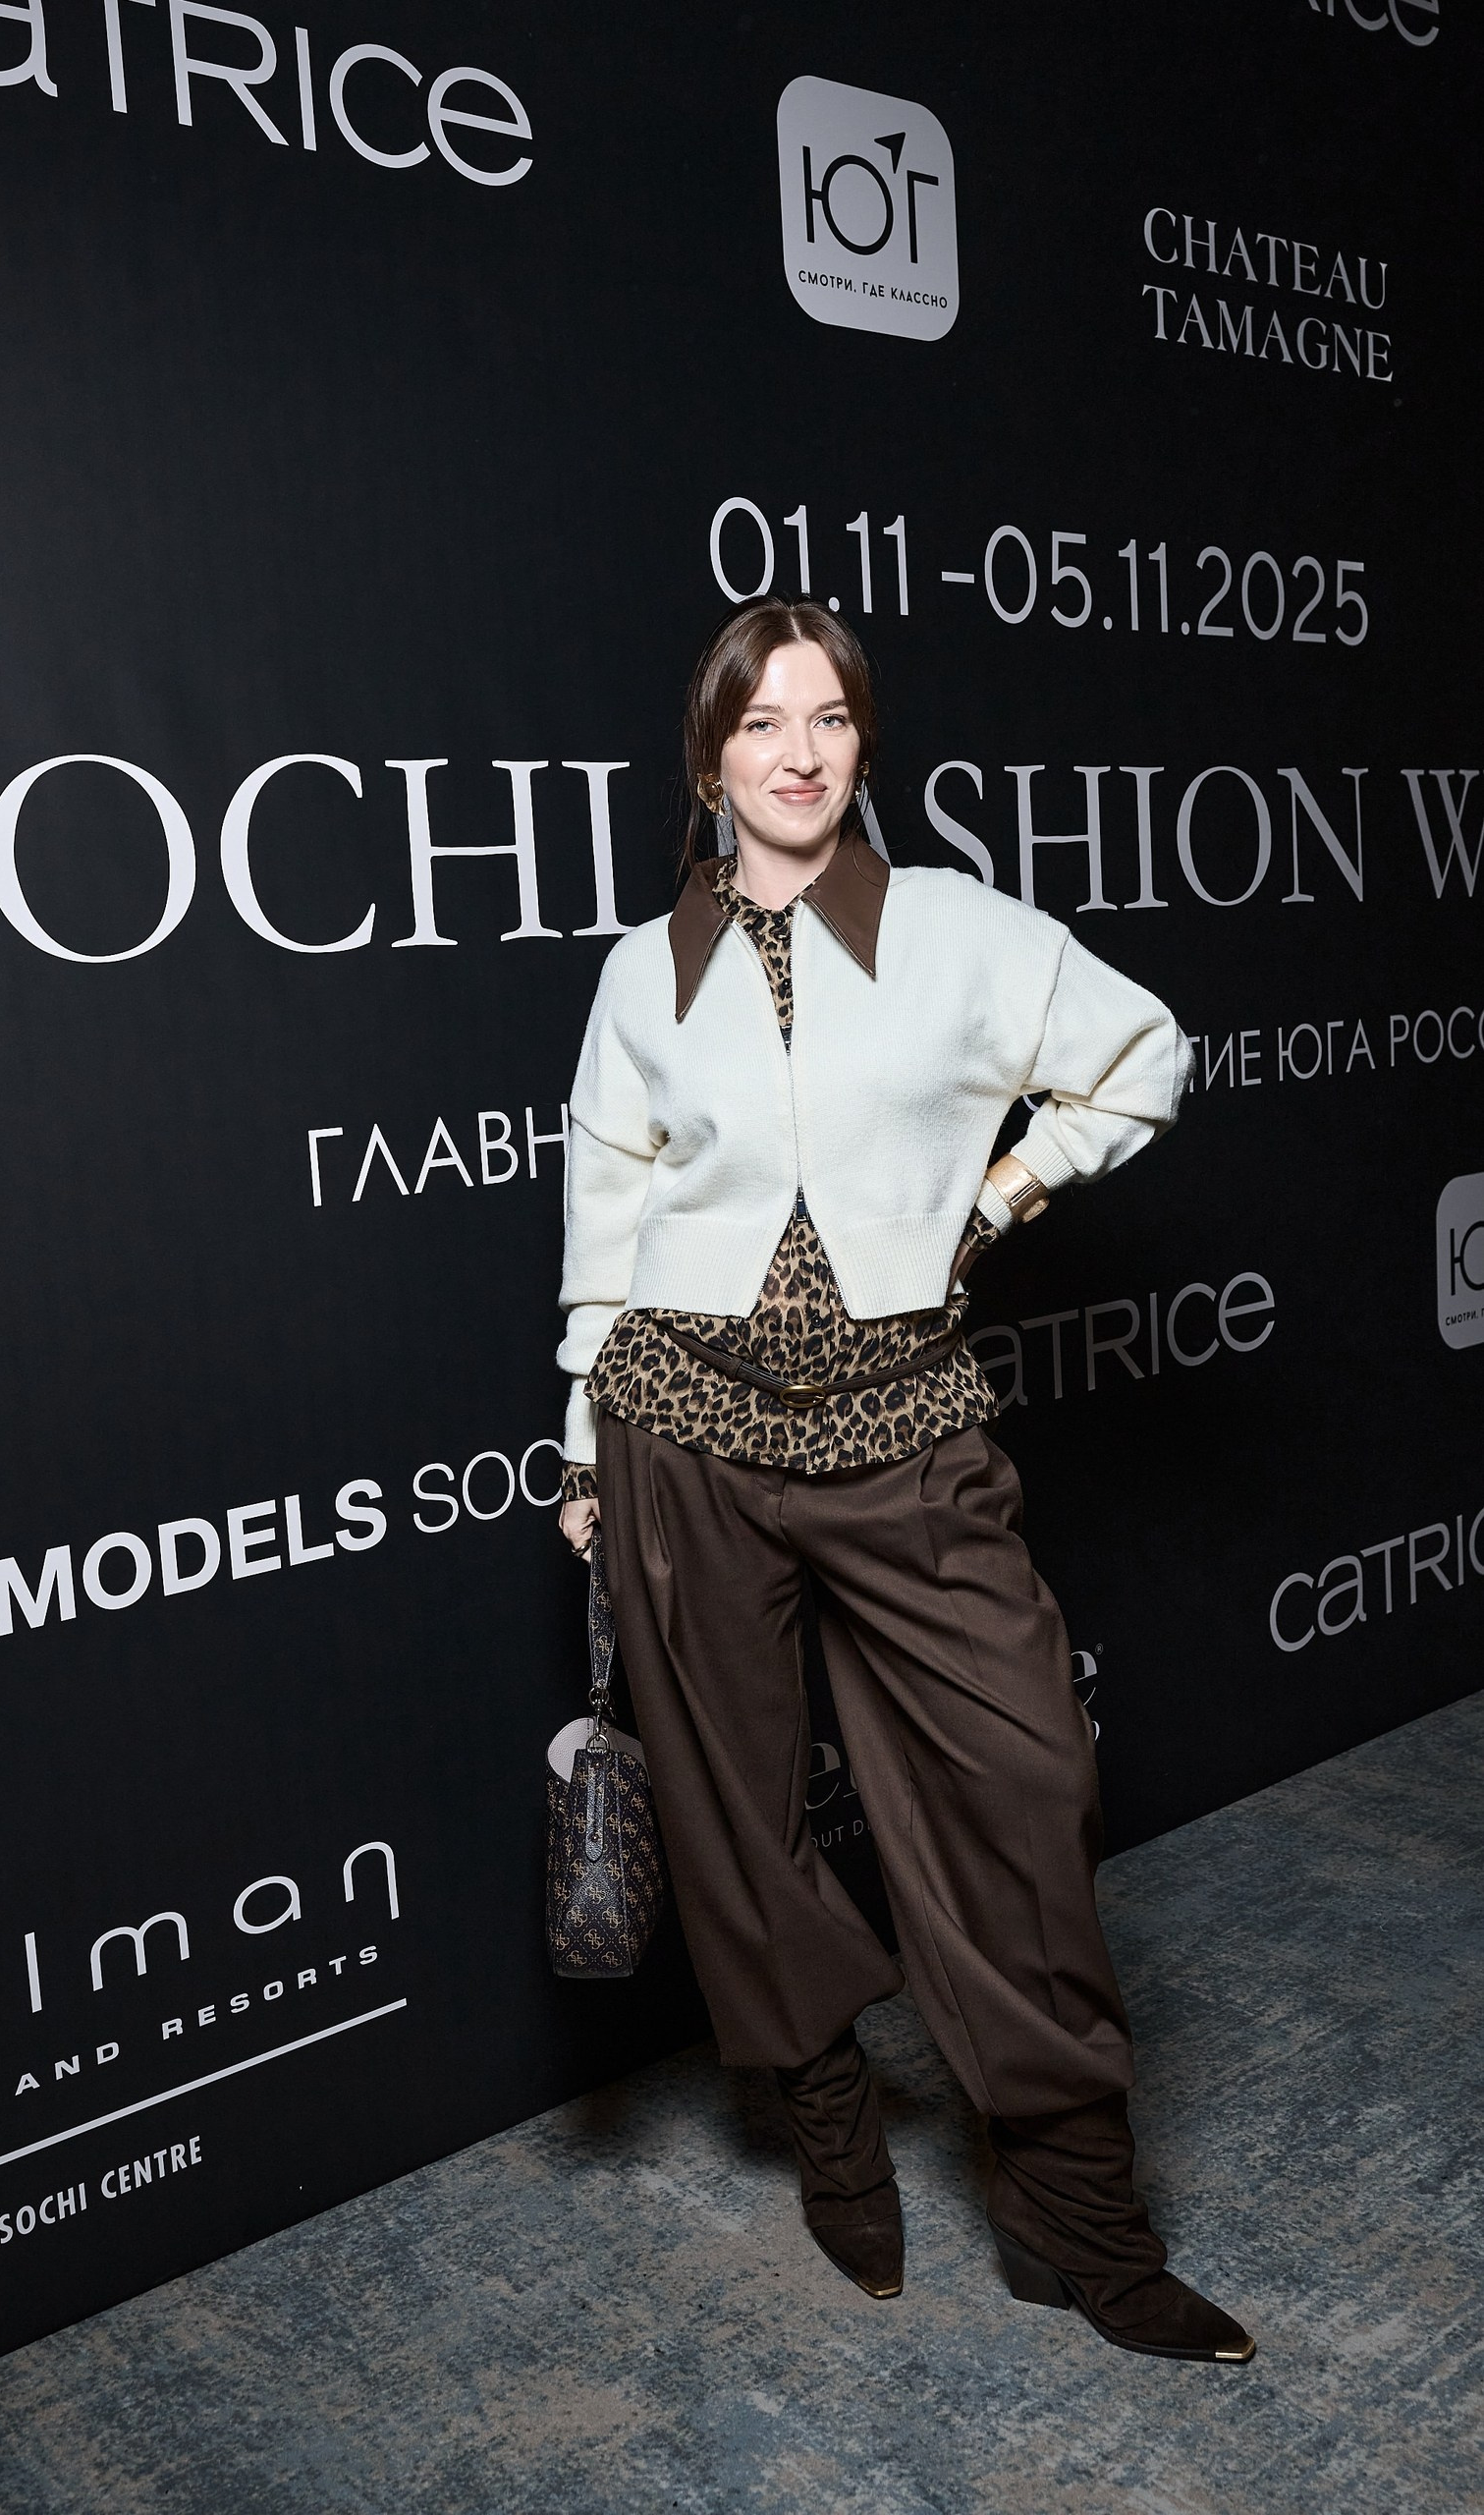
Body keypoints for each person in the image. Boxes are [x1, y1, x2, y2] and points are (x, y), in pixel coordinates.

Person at [553, 597, 1252, 2365]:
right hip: (676, 1431)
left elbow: (1143, 1055)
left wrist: (997, 1198)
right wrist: (580, 1446)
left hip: (907, 1429)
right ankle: (828, 2122)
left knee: (1024, 1787)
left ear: (863, 743)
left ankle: (1073, 2213)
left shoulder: (955, 930)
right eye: (760, 722)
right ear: (707, 758)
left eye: (830, 717)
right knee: (736, 1819)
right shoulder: (644, 971)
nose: (797, 754)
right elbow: (605, 1212)